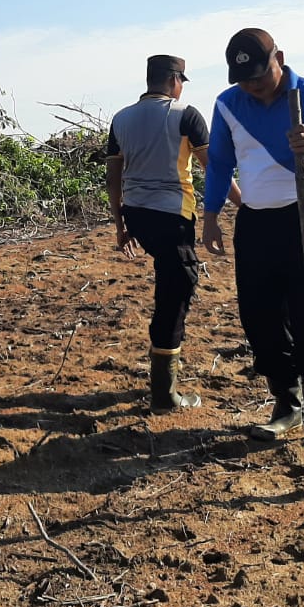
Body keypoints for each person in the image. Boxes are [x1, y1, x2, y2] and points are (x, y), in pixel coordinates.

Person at [201, 29, 304, 447]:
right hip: (256, 220)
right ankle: (287, 402)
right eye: (244, 80)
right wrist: (211, 215)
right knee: (259, 315)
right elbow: (218, 163)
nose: (253, 86)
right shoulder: (228, 105)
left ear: (279, 59)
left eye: (260, 76)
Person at [107, 55, 241, 414]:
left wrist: (121, 227)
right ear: (173, 79)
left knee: (169, 284)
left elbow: (113, 177)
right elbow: (213, 168)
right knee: (175, 293)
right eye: (182, 80)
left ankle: (161, 382)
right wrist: (243, 202)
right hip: (172, 216)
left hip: (136, 216)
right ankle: (165, 395)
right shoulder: (185, 114)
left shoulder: (121, 119)